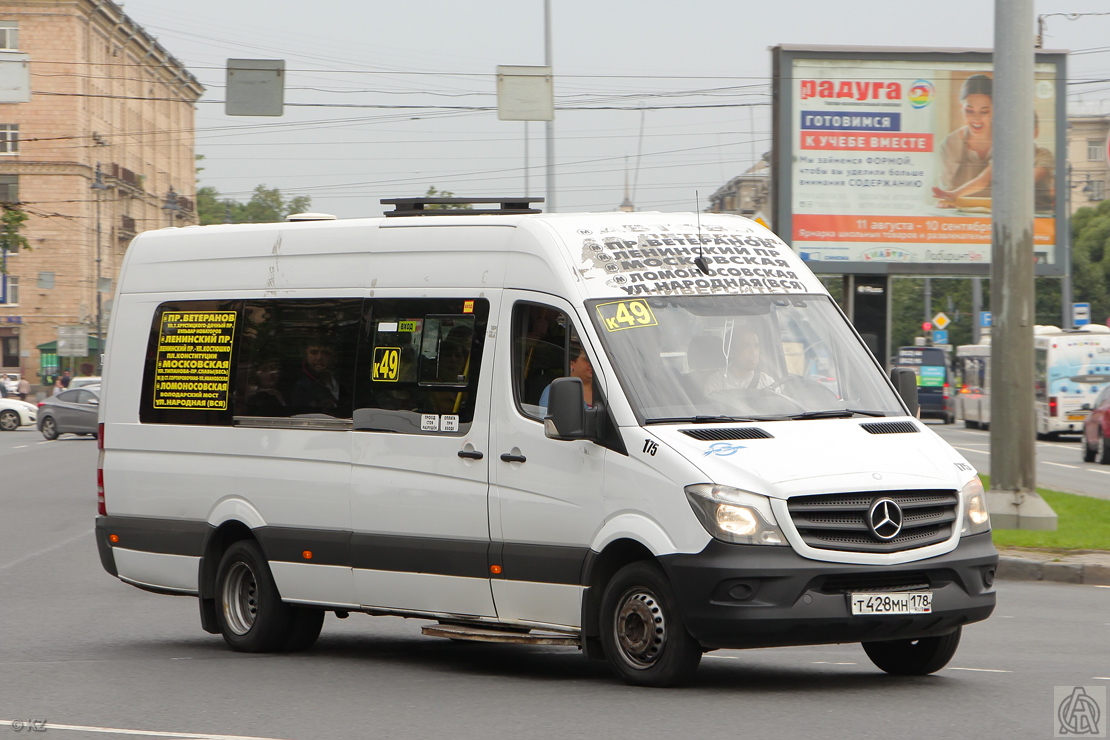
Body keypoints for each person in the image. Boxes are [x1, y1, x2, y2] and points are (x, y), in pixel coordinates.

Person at [933, 74, 993, 207]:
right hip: (961, 220)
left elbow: (984, 179)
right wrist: (945, 199)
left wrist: (953, 195)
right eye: (969, 111)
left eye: (984, 112)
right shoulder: (949, 145)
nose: (976, 118)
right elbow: (946, 190)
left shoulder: (1006, 141)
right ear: (961, 107)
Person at [704, 328, 776, 394]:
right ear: (732, 351)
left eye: (756, 346)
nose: (754, 353)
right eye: (746, 346)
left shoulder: (767, 383)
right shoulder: (716, 383)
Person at [289, 340, 343, 415]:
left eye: (325, 353)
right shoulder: (301, 386)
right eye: (314, 353)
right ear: (306, 356)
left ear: (335, 358)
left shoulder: (343, 379)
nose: (319, 358)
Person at [539, 343, 594, 410]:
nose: (592, 364)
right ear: (571, 364)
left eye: (593, 360)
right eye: (586, 360)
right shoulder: (555, 390)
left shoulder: (604, 389)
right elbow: (546, 418)